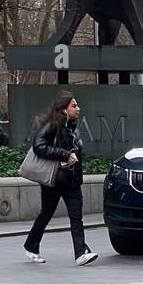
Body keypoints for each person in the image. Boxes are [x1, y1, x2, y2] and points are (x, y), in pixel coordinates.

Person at [24, 93, 98, 265]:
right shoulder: (52, 125)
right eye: (74, 105)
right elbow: (39, 146)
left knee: (76, 216)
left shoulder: (72, 128)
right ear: (64, 109)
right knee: (46, 213)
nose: (78, 108)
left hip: (71, 180)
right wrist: (64, 154)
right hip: (55, 179)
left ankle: (80, 253)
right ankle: (31, 246)